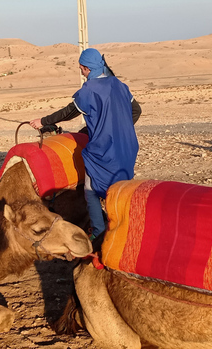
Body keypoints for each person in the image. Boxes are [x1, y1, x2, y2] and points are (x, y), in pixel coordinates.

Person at [29, 48, 141, 242]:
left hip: (103, 151)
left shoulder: (89, 90)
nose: (81, 72)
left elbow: (70, 111)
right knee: (121, 188)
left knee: (91, 190)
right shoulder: (119, 84)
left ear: (86, 68)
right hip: (127, 147)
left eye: (81, 69)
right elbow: (136, 110)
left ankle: (98, 231)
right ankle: (128, 227)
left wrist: (43, 121)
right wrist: (119, 128)